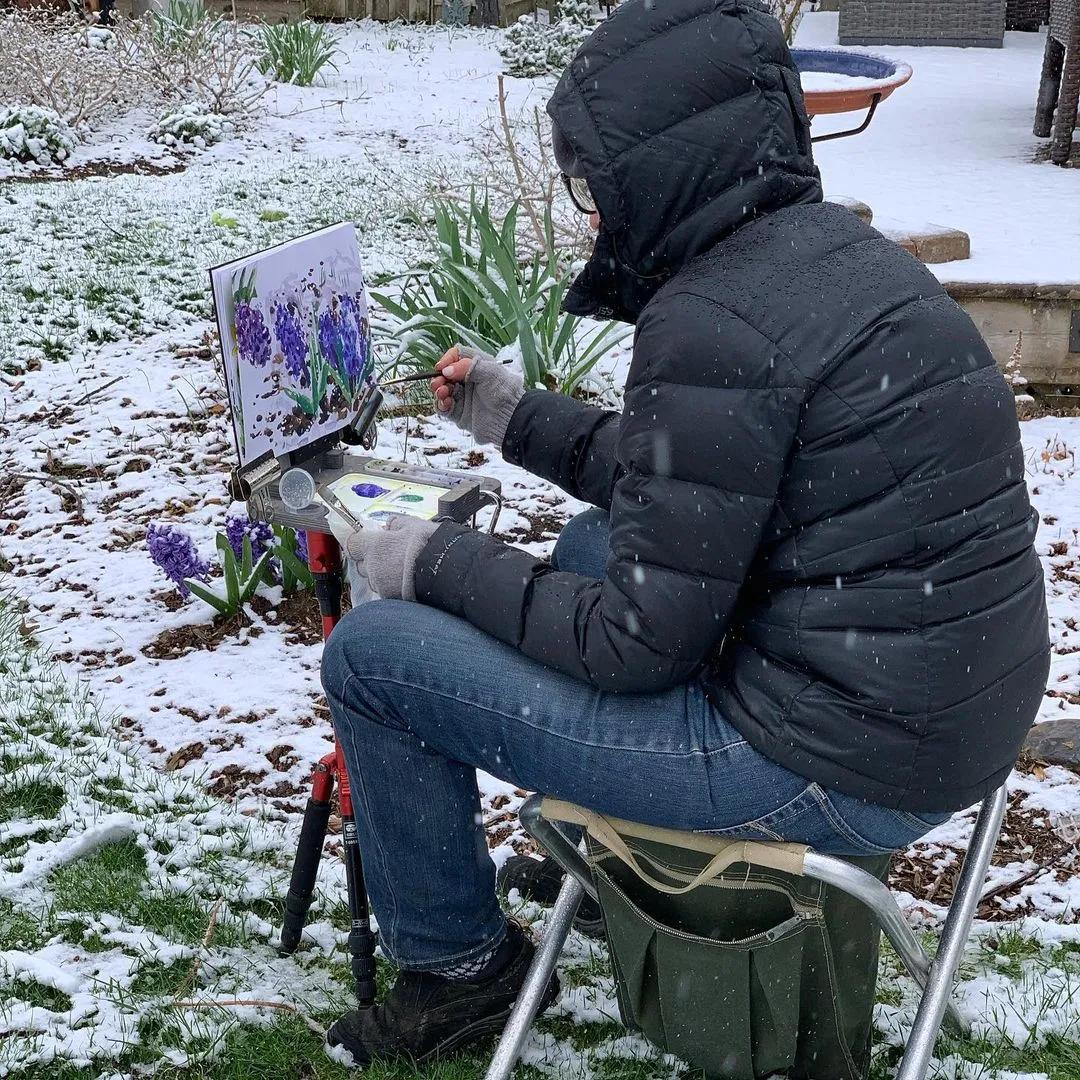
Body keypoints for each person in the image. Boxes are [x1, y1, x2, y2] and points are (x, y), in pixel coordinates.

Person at [321, 0, 1049, 1065]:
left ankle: (458, 973)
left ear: (655, 175)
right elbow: (694, 479)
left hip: (831, 767)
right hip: (942, 712)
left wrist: (429, 559)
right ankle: (585, 840)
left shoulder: (711, 316)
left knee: (373, 660)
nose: (590, 216)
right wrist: (514, 415)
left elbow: (634, 643)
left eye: (593, 185)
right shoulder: (830, 259)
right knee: (583, 548)